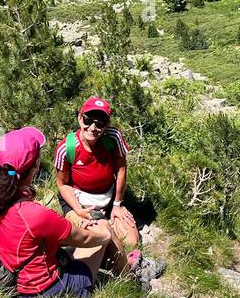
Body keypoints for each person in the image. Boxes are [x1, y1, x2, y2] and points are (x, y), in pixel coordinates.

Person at [0, 127, 112, 298]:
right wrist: (105, 231)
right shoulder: (33, 213)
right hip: (45, 290)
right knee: (100, 235)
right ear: (36, 164)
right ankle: (129, 278)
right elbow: (85, 239)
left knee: (70, 249)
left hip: (17, 279)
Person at [53, 97, 161, 287]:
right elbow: (62, 184)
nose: (93, 127)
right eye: (88, 120)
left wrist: (117, 205)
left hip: (108, 198)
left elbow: (121, 169)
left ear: (106, 124)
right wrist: (78, 210)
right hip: (79, 202)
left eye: (100, 122)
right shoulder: (67, 147)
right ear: (80, 118)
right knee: (105, 233)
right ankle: (127, 276)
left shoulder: (113, 138)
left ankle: (116, 256)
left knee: (132, 241)